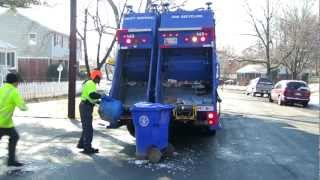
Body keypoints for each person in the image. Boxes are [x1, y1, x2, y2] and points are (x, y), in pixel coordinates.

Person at [0, 73, 28, 167]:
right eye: (18, 82)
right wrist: (24, 105)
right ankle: (11, 160)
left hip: (6, 122)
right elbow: (22, 107)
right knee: (15, 137)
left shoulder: (1, 89)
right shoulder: (14, 91)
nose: (18, 84)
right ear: (15, 82)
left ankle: (11, 160)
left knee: (15, 136)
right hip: (4, 123)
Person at [77, 69, 102, 154]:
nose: (99, 80)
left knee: (86, 127)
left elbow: (90, 97)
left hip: (85, 106)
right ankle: (87, 148)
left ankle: (81, 144)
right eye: (99, 78)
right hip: (86, 107)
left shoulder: (89, 83)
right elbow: (92, 95)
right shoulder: (91, 83)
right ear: (95, 77)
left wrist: (98, 101)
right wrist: (101, 96)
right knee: (88, 129)